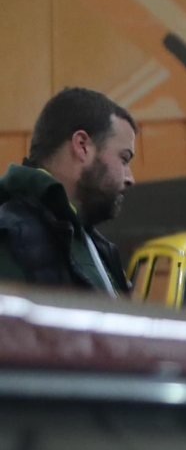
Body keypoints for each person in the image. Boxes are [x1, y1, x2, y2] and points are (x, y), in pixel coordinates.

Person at [0, 87, 137, 295]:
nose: (130, 179)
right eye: (124, 159)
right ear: (82, 146)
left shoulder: (94, 245)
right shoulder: (9, 237)